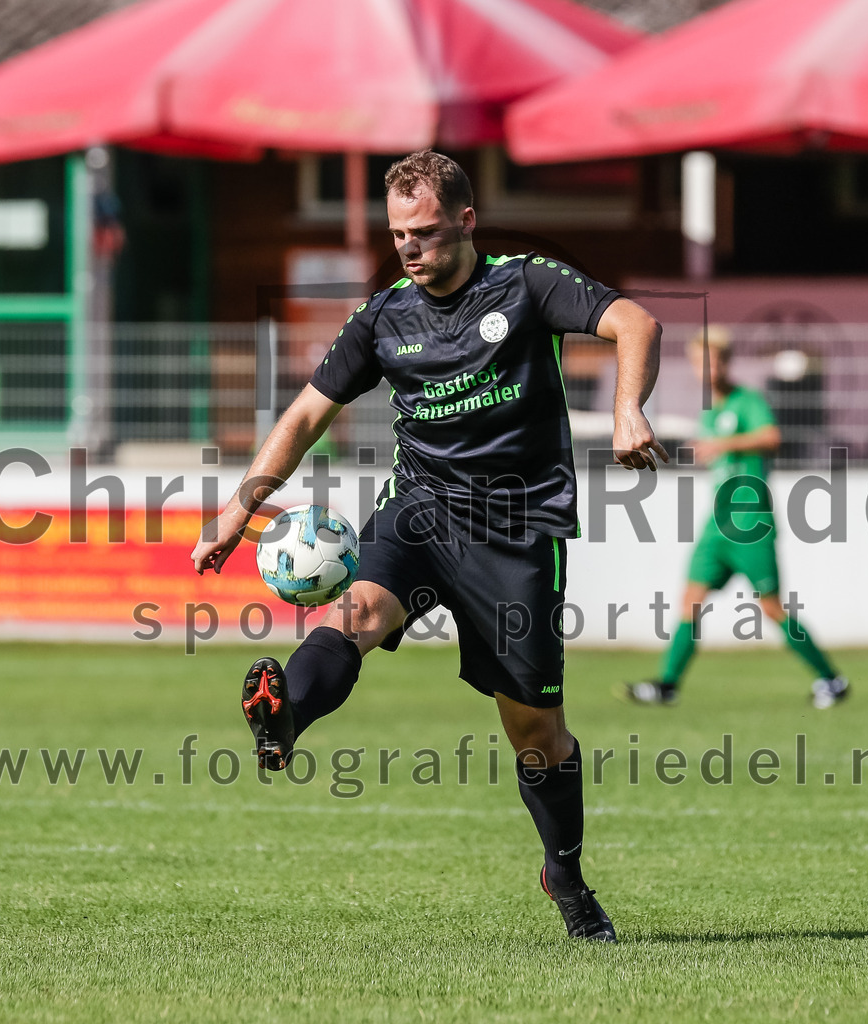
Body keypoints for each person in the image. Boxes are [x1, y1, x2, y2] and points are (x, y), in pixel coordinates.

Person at [191, 151, 667, 943]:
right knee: (355, 612)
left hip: (518, 533)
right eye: (397, 235)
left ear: (465, 222)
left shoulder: (524, 283)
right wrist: (242, 507)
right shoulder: (383, 318)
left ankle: (566, 877)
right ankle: (285, 721)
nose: (408, 248)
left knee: (535, 734)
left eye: (423, 232)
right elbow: (308, 413)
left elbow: (634, 322)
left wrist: (627, 411)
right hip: (418, 511)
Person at [619, 327, 848, 710]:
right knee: (690, 600)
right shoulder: (710, 412)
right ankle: (667, 685)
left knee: (771, 607)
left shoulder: (747, 401)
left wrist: (723, 443)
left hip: (751, 523)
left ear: (727, 362)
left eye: (714, 360)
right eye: (699, 362)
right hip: (718, 524)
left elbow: (772, 437)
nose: (707, 369)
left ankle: (831, 680)